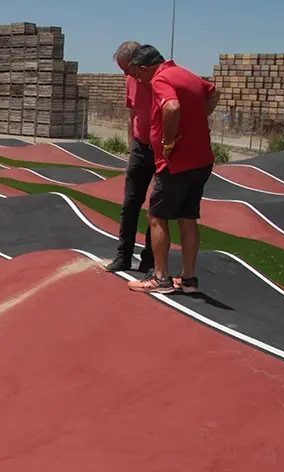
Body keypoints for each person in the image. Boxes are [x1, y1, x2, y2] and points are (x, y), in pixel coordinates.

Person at [124, 44, 220, 294]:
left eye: (137, 75)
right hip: (201, 160)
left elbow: (172, 107)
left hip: (176, 163)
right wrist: (196, 120)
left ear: (145, 69)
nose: (138, 80)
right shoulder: (185, 73)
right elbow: (213, 93)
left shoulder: (160, 79)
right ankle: (188, 279)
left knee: (157, 217)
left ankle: (160, 278)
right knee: (188, 218)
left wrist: (168, 142)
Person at [103, 40, 155, 275]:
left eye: (127, 69)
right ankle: (123, 256)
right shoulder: (130, 81)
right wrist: (130, 147)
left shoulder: (159, 80)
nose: (126, 74)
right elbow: (132, 114)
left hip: (161, 151)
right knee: (130, 203)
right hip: (139, 149)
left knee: (158, 209)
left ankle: (150, 260)